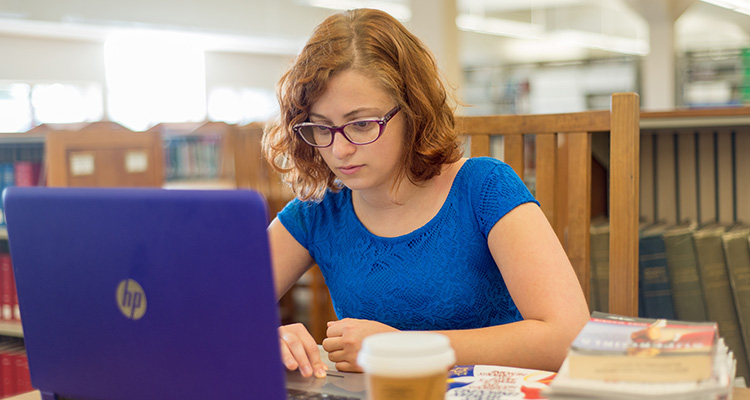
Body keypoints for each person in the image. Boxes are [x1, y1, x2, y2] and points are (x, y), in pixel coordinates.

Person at [262, 8, 590, 379]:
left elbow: (568, 337)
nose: (339, 150)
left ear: (413, 111)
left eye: (362, 124)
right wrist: (259, 338)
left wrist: (406, 348)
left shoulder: (484, 188)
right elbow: (208, 312)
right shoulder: (317, 211)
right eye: (321, 128)